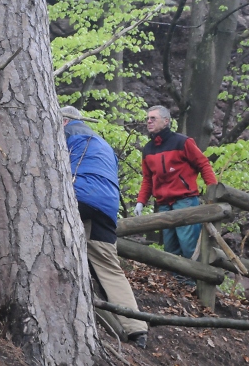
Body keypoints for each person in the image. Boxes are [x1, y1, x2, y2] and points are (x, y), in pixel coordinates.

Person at [60, 106, 149, 348]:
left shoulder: (64, 136)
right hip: (107, 206)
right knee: (109, 267)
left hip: (78, 197)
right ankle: (136, 328)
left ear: (64, 122)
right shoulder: (103, 144)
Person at [133, 105, 217, 260]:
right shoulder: (148, 149)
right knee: (171, 250)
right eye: (147, 119)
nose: (148, 121)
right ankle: (178, 283)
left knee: (189, 247)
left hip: (185, 201)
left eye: (153, 118)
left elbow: (203, 164)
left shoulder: (182, 142)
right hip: (164, 204)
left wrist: (213, 191)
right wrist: (140, 202)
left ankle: (193, 282)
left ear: (166, 121)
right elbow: (147, 178)